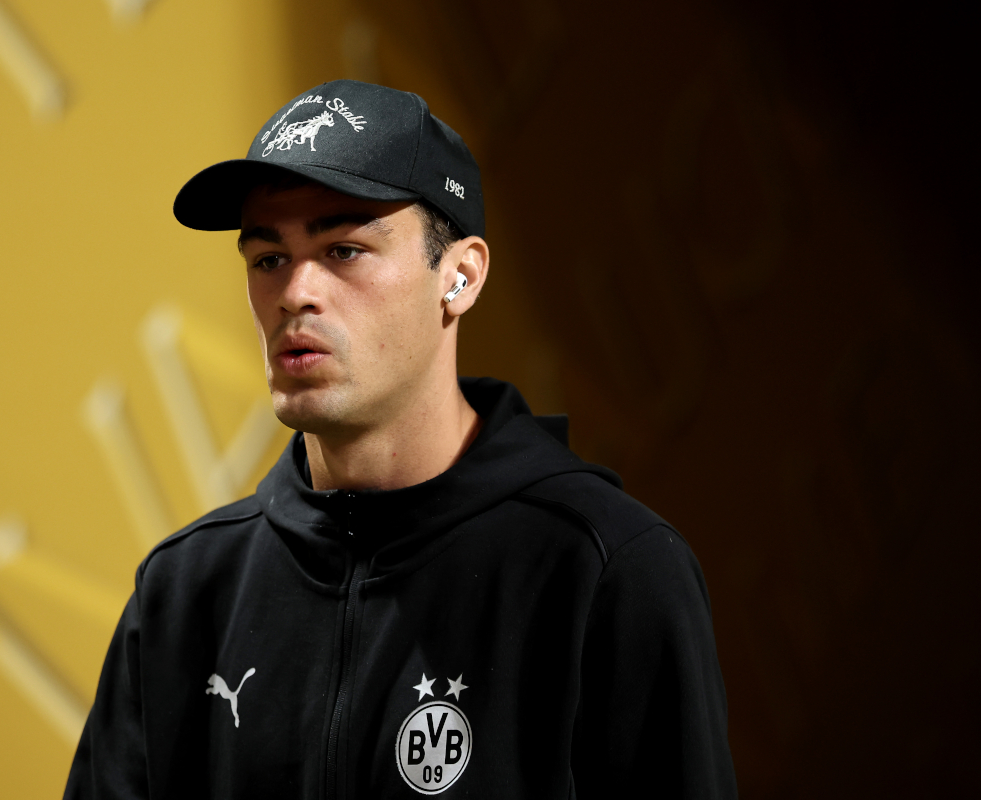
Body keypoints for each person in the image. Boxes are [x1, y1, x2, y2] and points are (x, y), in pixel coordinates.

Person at [64, 80, 736, 799]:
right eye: (268, 259)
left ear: (460, 276)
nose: (296, 291)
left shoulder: (606, 570)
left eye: (345, 249)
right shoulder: (183, 592)